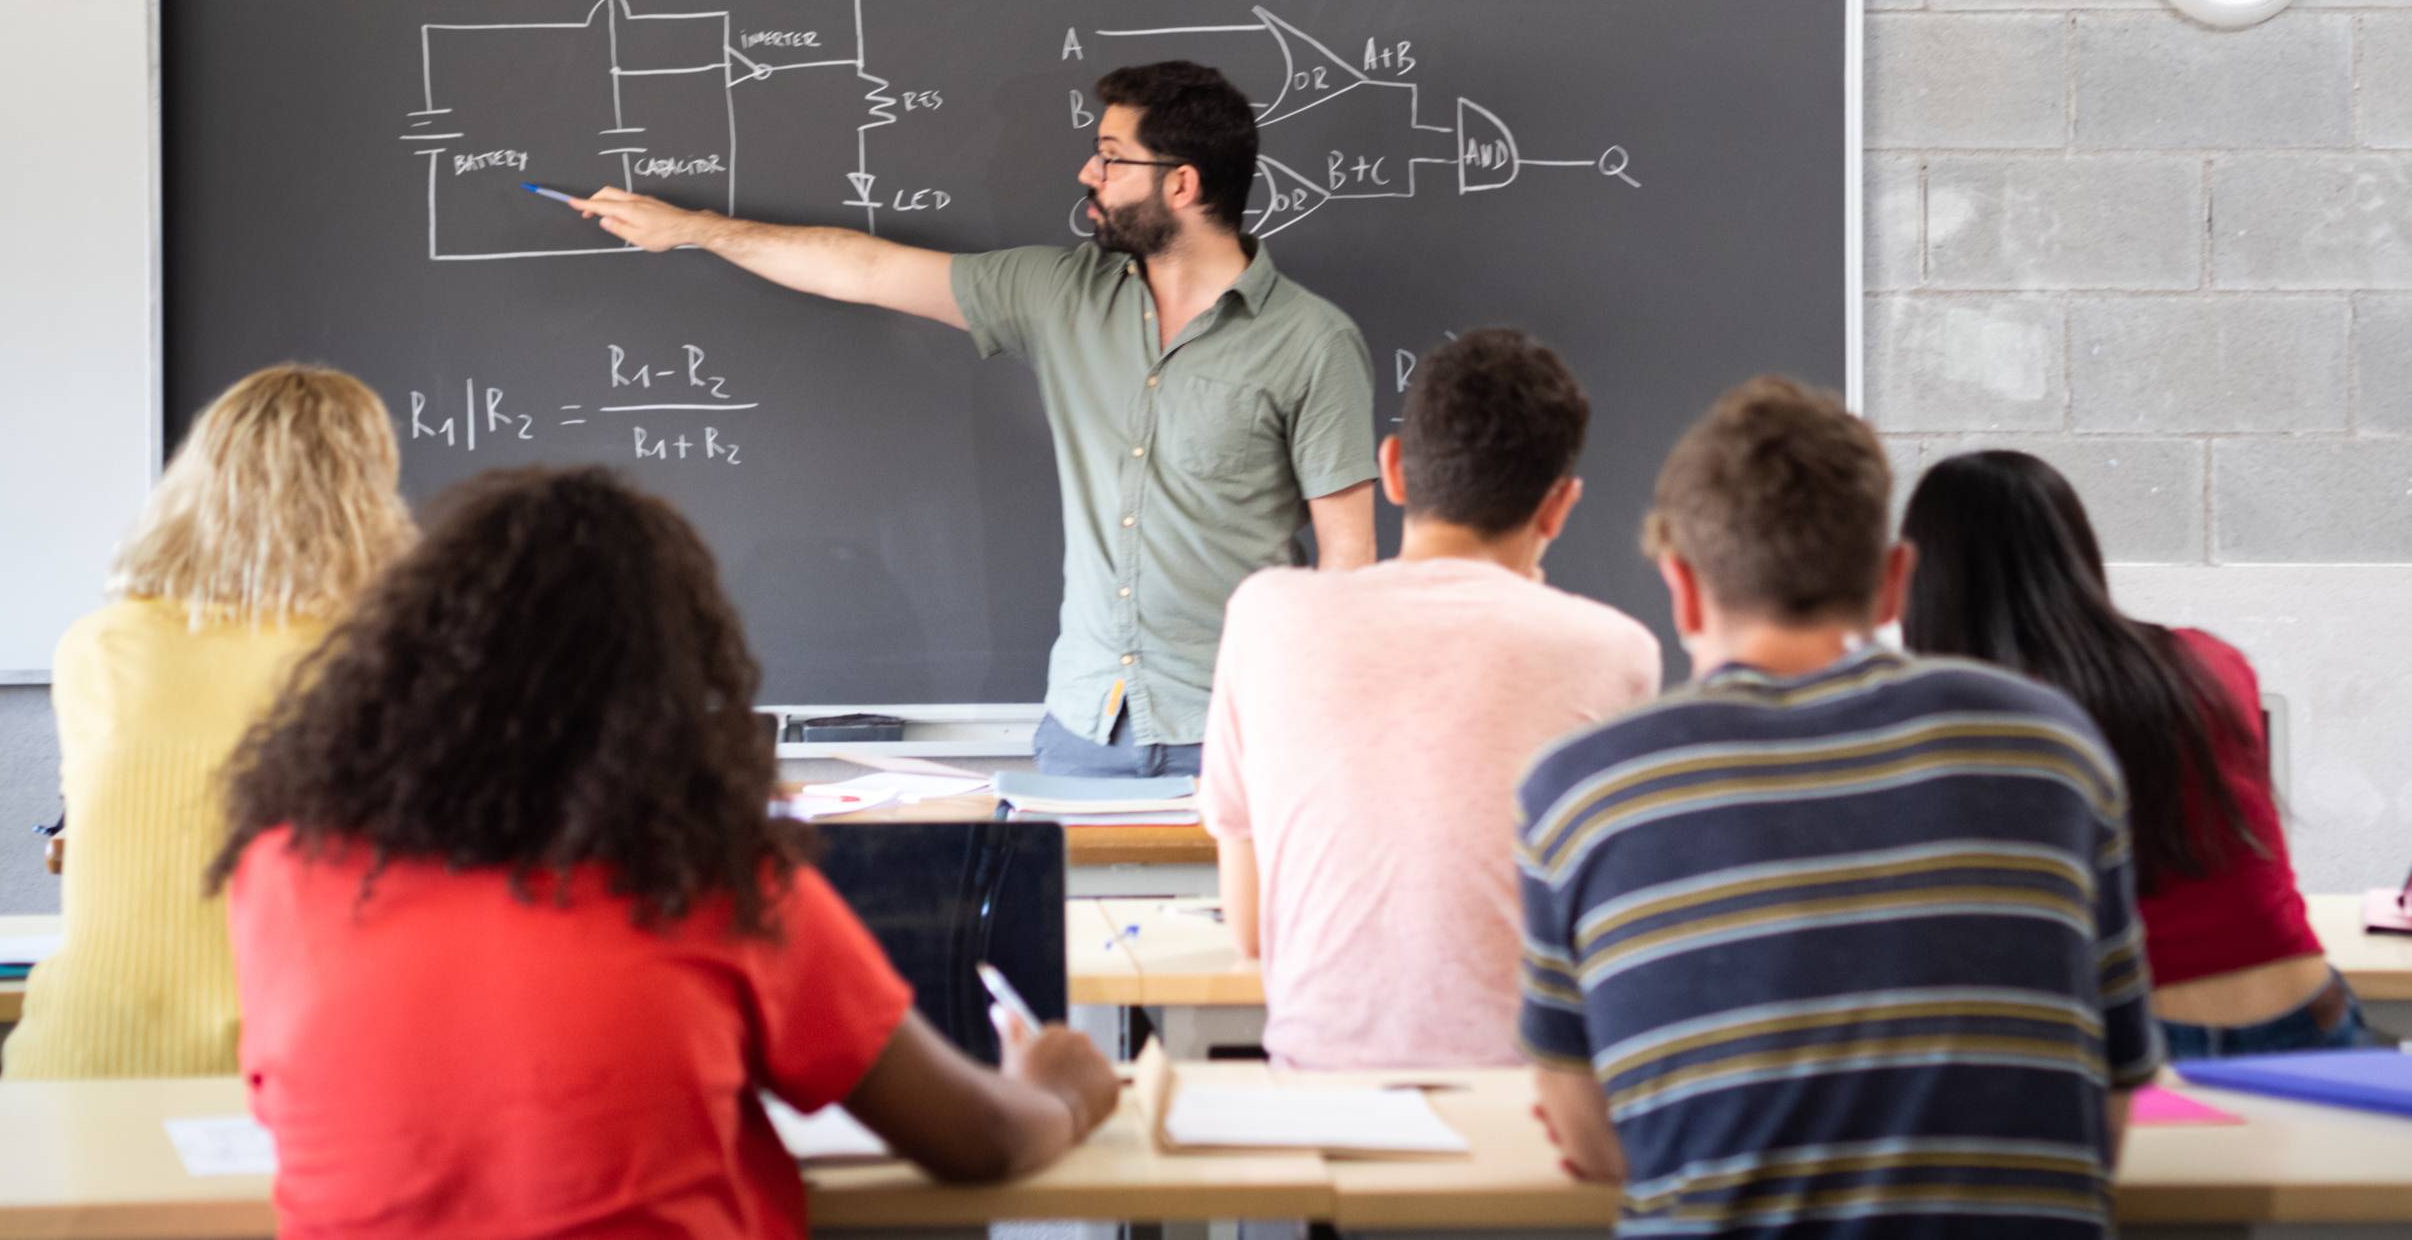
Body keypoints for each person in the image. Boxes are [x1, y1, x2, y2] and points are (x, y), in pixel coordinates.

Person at [209, 467, 1119, 1238]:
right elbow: (982, 1141)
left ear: (402, 659)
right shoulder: (716, 884)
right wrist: (1063, 1089)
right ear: (670, 682)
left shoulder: (284, 872)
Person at [572, 61, 1378, 776]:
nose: (1088, 171)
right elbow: (863, 268)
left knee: (1234, 947)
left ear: (1183, 185)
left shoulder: (1311, 342)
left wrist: (1315, 724)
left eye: (1112, 157)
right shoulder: (1060, 295)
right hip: (1083, 728)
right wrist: (694, 231)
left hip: (1241, 732)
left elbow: (1349, 560)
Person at [1517, 379, 2159, 1237]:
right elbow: (2105, 1115)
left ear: (1683, 588)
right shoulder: (2053, 749)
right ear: (1895, 582)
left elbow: (1592, 1140)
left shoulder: (1582, 787)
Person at [1199, 328, 1658, 1068]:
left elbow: (1251, 932)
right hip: (1530, 1116)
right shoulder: (1618, 651)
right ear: (1560, 506)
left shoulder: (1267, 613)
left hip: (1326, 1100)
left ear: (1392, 470)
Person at [2, 365, 414, 1080]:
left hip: (85, 1064)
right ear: (366, 496)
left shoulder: (102, 647)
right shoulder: (388, 656)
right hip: (305, 1073)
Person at [1901, 450, 2383, 1057]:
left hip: (2138, 1040)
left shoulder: (1972, 718)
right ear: (2075, 550)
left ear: (1928, 578)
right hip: (2306, 1011)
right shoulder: (2211, 663)